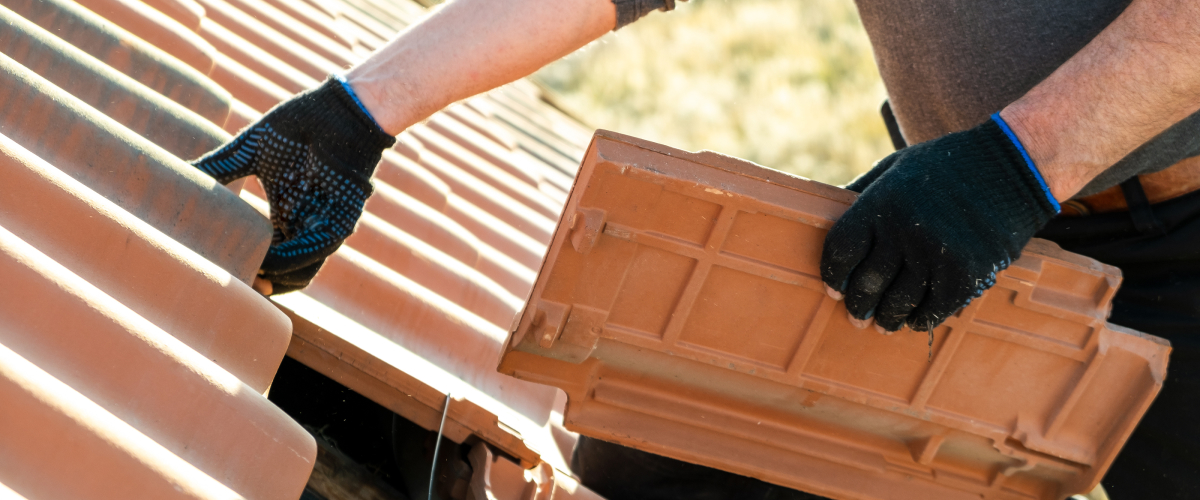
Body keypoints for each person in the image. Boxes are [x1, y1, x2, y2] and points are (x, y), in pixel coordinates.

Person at [190, 0, 1200, 497]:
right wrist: (360, 112)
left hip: (1119, 211)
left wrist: (1017, 165)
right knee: (670, 471)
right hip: (970, 206)